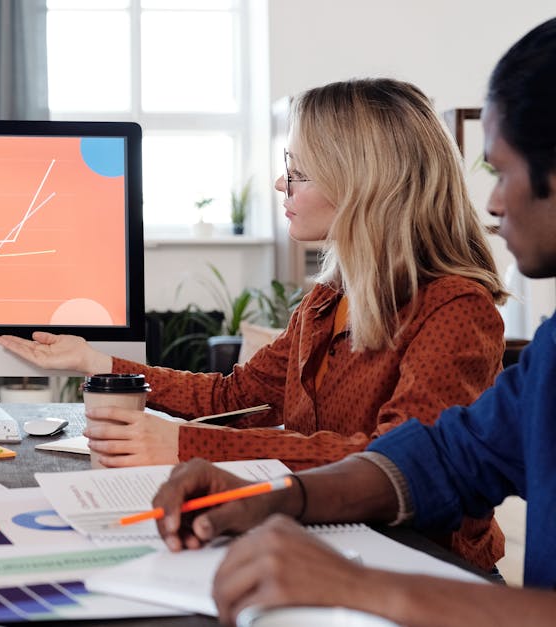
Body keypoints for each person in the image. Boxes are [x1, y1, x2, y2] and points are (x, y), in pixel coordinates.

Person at [0, 77, 507, 570]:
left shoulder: (455, 309)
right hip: (330, 546)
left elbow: (391, 465)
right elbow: (236, 397)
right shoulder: (327, 300)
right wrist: (96, 360)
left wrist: (183, 444)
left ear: (361, 184)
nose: (282, 183)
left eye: (298, 171)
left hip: (427, 566)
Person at [146, 17, 556, 626]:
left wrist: (357, 585)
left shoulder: (452, 307)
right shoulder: (550, 351)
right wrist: (277, 498)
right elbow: (440, 458)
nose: (492, 202)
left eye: (501, 171)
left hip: (426, 570)